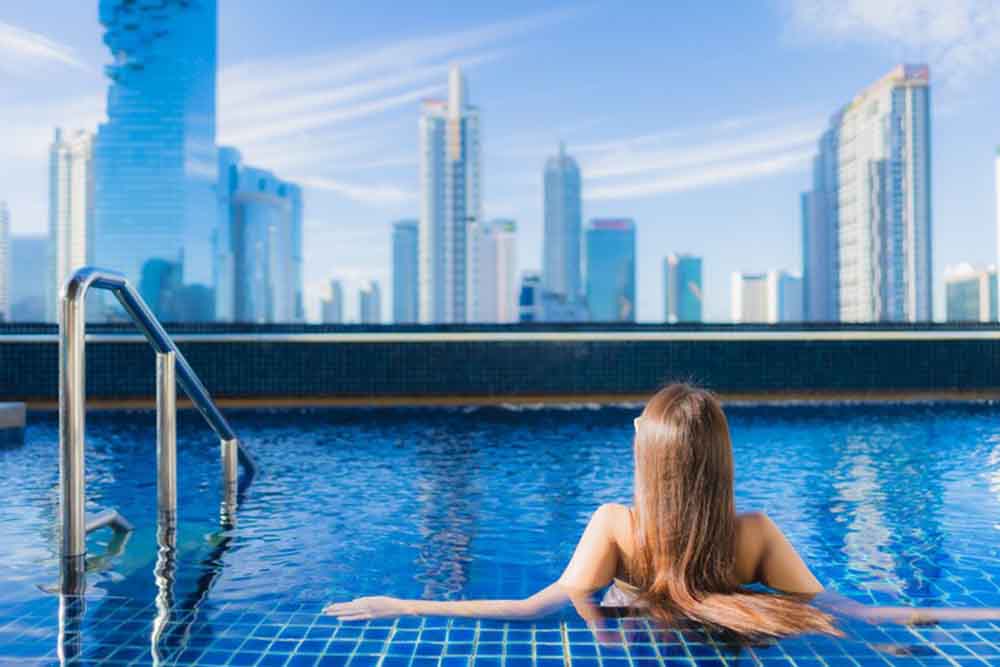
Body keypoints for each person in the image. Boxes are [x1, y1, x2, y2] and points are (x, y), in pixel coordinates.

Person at [324, 383, 1000, 639]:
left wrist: (405, 602)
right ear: (719, 457)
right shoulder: (753, 534)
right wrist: (987, 613)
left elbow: (533, 608)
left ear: (650, 455)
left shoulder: (617, 524)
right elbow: (859, 611)